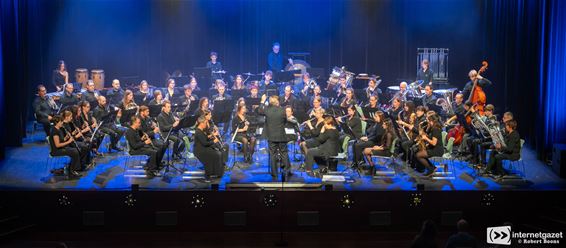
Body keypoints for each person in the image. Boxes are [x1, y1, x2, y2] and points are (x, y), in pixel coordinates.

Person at [258, 94, 292, 180]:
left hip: (271, 136)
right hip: (281, 135)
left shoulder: (267, 110)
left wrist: (262, 101)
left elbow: (259, 110)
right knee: (284, 153)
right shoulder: (282, 110)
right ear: (277, 102)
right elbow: (285, 121)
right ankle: (287, 172)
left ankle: (274, 174)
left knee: (273, 155)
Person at [194, 116, 225, 181]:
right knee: (216, 154)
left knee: (218, 152)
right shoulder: (198, 131)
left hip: (203, 148)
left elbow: (205, 138)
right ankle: (208, 175)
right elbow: (205, 143)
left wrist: (211, 135)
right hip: (200, 150)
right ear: (201, 123)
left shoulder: (200, 130)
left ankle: (216, 172)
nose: (206, 124)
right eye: (205, 123)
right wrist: (214, 141)